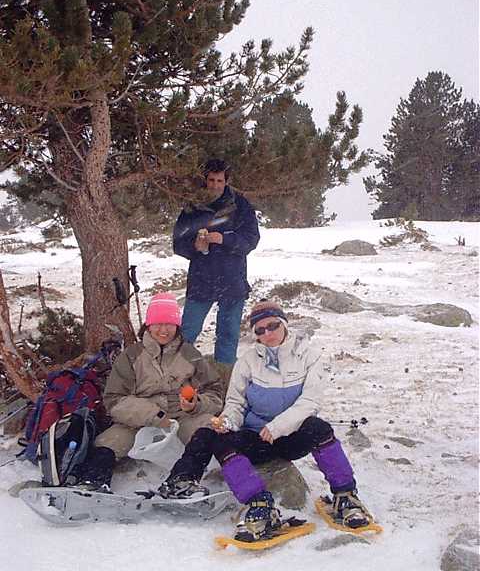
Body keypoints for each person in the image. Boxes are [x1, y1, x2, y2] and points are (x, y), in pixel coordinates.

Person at [157, 300, 372, 542]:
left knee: (319, 428)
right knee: (212, 434)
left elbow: (310, 402)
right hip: (256, 438)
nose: (267, 334)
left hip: (291, 437)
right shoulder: (248, 360)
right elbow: (236, 404)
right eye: (260, 330)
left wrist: (277, 427)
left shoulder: (309, 356)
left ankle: (346, 495)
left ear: (284, 324)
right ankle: (258, 504)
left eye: (273, 326)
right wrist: (227, 422)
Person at [75, 292, 224, 491]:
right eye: (158, 324)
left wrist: (196, 404)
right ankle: (92, 484)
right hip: (137, 420)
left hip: (183, 416)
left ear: (177, 326)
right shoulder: (131, 356)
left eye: (169, 324)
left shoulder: (190, 355)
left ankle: (182, 480)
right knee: (107, 443)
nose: (164, 330)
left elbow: (215, 392)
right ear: (148, 325)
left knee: (209, 432)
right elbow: (114, 400)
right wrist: (155, 415)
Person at [173, 158, 260, 366]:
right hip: (201, 280)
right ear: (205, 180)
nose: (215, 185)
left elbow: (251, 239)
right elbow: (177, 242)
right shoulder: (193, 206)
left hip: (232, 280)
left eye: (220, 181)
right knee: (187, 334)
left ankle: (224, 380)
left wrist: (225, 239)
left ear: (226, 181)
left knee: (228, 337)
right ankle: (175, 376)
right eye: (211, 180)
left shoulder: (240, 205)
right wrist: (195, 246)